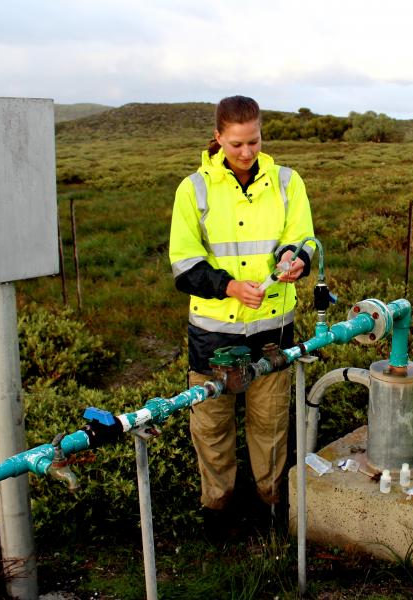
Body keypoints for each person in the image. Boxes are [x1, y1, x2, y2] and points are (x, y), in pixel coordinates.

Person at [168, 95, 315, 536]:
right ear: (217, 138)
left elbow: (303, 238)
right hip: (213, 337)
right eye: (236, 144)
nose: (247, 152)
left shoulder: (288, 183)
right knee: (211, 427)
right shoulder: (192, 189)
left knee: (271, 425)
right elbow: (184, 264)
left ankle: (271, 509)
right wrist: (229, 287)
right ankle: (219, 513)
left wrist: (296, 260)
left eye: (254, 141)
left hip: (275, 328)